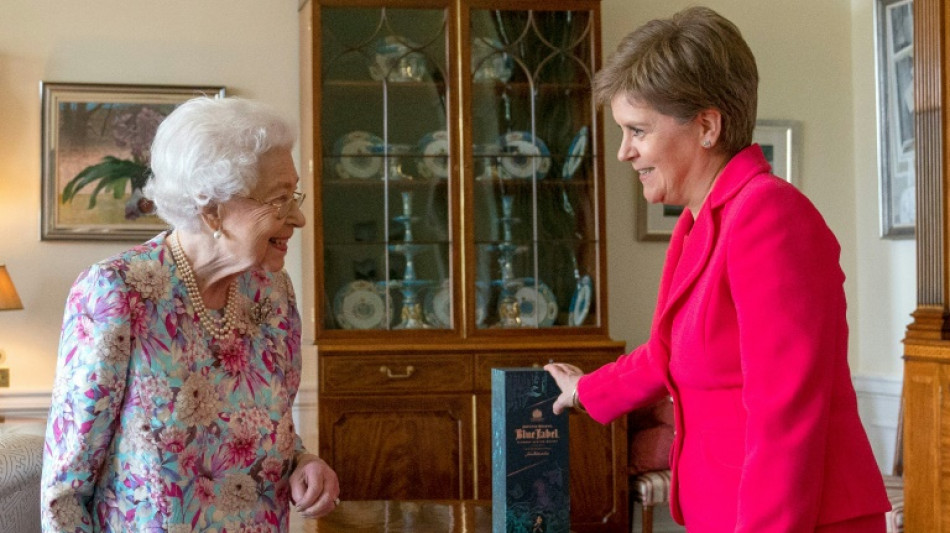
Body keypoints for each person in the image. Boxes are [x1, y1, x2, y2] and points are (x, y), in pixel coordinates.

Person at [545, 7, 891, 533]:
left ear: (706, 125)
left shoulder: (770, 216)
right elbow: (667, 353)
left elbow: (785, 416)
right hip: (723, 512)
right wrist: (587, 391)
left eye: (637, 130)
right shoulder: (697, 224)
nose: (623, 152)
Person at [41, 97, 340, 532]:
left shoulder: (272, 292)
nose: (297, 216)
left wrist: (302, 460)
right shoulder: (116, 291)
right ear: (213, 209)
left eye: (293, 195)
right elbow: (66, 487)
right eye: (278, 200)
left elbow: (270, 425)